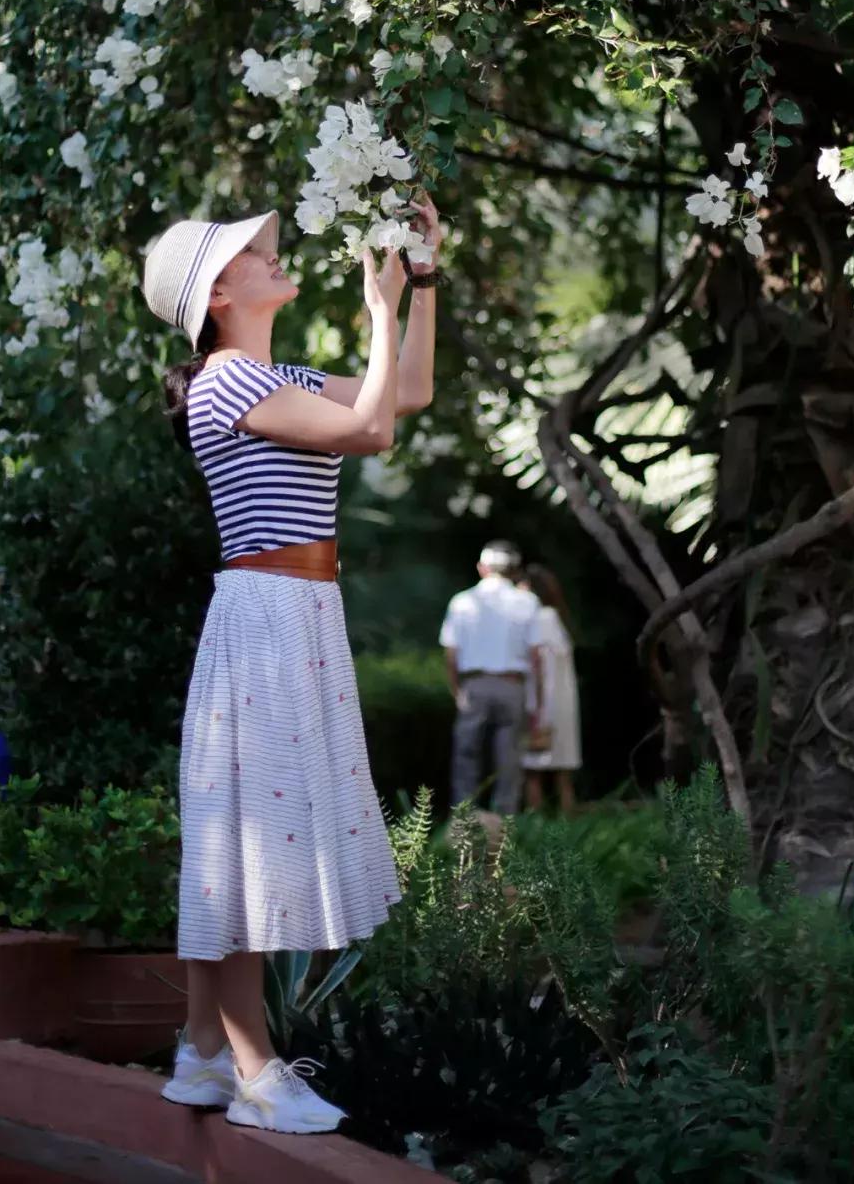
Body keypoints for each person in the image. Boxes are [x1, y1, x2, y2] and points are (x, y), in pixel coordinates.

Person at [141, 196, 440, 1134]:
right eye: (256, 256)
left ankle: (199, 1053)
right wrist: (381, 309)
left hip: (293, 614)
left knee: (241, 832)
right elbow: (370, 433)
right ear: (222, 293)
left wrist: (421, 283)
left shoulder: (273, 375)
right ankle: (257, 1070)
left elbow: (408, 394)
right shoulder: (228, 382)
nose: (275, 258)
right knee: (250, 849)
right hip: (270, 618)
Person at [439, 541, 545, 816]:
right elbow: (536, 657)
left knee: (466, 754)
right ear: (514, 570)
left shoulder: (462, 601)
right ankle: (505, 822)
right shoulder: (528, 601)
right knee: (509, 758)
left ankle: (463, 820)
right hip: (513, 685)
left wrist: (457, 690)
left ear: (482, 568)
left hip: (474, 685)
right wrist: (537, 701)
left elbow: (451, 653)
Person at [519, 564, 582, 815]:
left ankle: (533, 822)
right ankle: (569, 822)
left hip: (543, 700)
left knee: (532, 769)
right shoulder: (556, 617)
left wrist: (536, 707)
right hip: (563, 701)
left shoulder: (539, 620)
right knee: (562, 771)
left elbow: (539, 667)